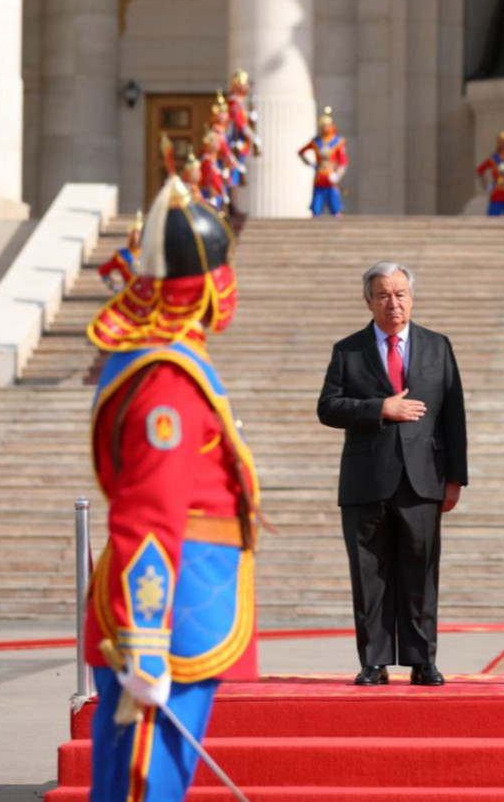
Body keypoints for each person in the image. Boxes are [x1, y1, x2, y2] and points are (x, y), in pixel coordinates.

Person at [83, 175, 262, 802]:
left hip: (184, 604)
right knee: (144, 788)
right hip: (173, 615)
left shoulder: (157, 359)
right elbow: (147, 515)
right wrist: (146, 642)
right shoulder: (168, 382)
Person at [316, 262, 468, 686]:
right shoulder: (348, 350)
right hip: (366, 479)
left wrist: (455, 478)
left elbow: (453, 415)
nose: (393, 303)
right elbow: (328, 407)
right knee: (369, 573)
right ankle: (374, 660)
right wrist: (379, 408)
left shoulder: (437, 346)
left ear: (412, 298)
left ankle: (423, 659)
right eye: (383, 295)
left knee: (421, 570)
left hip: (424, 477)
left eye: (400, 294)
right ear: (369, 301)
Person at [299, 107, 348, 217]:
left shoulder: (338, 141)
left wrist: (337, 175)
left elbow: (343, 162)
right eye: (322, 126)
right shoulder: (316, 141)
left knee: (336, 208)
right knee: (316, 209)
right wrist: (309, 163)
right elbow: (301, 152)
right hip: (319, 177)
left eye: (326, 125)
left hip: (331, 178)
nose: (324, 128)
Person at [98, 211, 144, 293]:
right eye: (133, 235)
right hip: (128, 293)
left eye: (138, 235)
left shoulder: (148, 253)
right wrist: (113, 287)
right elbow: (103, 270)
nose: (135, 238)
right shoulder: (121, 255)